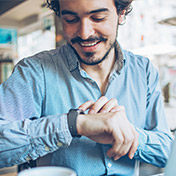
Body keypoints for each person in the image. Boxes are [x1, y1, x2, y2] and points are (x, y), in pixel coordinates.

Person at [0, 0, 172, 175]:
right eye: (70, 20)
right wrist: (74, 124)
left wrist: (126, 133)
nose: (84, 33)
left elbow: (167, 151)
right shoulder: (34, 72)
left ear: (121, 12)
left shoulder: (144, 70)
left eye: (98, 18)